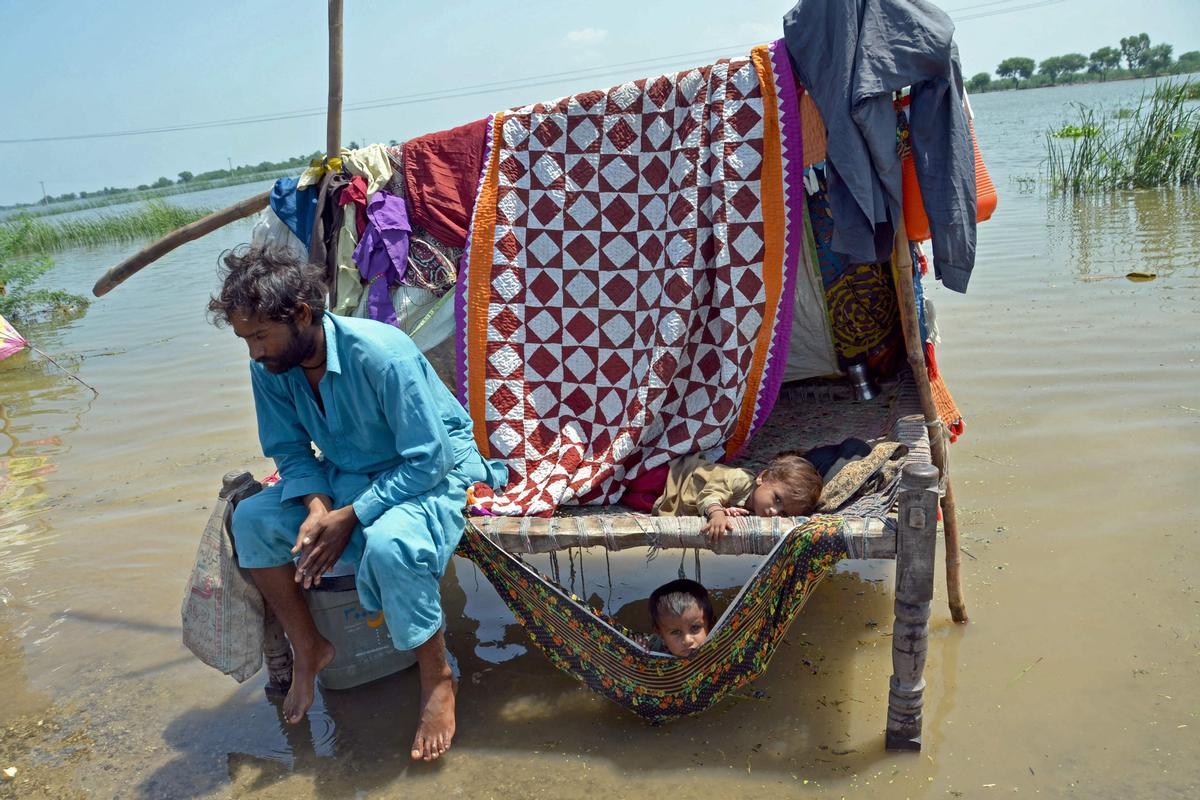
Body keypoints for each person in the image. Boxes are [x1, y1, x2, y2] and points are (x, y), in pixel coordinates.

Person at [207, 246, 506, 762]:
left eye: (259, 336)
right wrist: (320, 510)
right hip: (347, 472)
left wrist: (352, 516)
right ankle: (310, 649)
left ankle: (435, 675)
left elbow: (427, 459)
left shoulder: (381, 353)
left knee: (391, 546)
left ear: (301, 314)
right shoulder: (271, 368)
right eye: (246, 340)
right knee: (253, 520)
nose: (253, 353)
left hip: (427, 469)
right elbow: (291, 451)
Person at [653, 452, 822, 540]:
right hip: (678, 476)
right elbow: (710, 494)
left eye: (784, 513)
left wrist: (728, 510)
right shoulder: (739, 479)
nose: (773, 511)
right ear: (762, 478)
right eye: (777, 499)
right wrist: (717, 514)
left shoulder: (758, 511)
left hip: (683, 497)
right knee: (640, 483)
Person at [644, 579, 716, 658]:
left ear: (711, 625)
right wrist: (641, 649)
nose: (687, 641)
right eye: (676, 632)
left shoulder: (721, 645)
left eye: (695, 628)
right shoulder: (654, 651)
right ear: (660, 634)